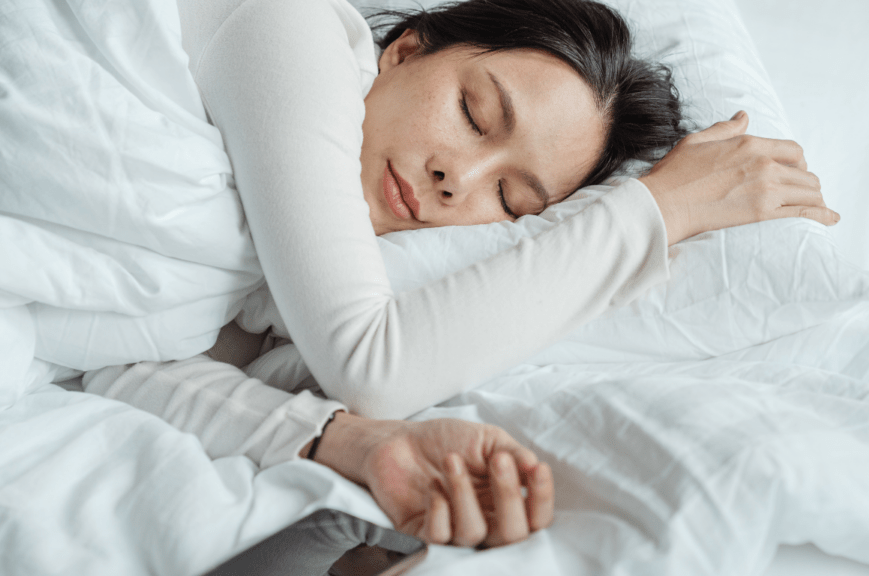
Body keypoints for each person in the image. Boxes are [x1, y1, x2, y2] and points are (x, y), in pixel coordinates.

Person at [85, 0, 837, 551]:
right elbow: (372, 364)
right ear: (405, 51)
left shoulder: (263, 279)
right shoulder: (287, 28)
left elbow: (115, 368)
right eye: (475, 113)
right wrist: (657, 211)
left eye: (510, 199)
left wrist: (353, 447)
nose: (457, 177)